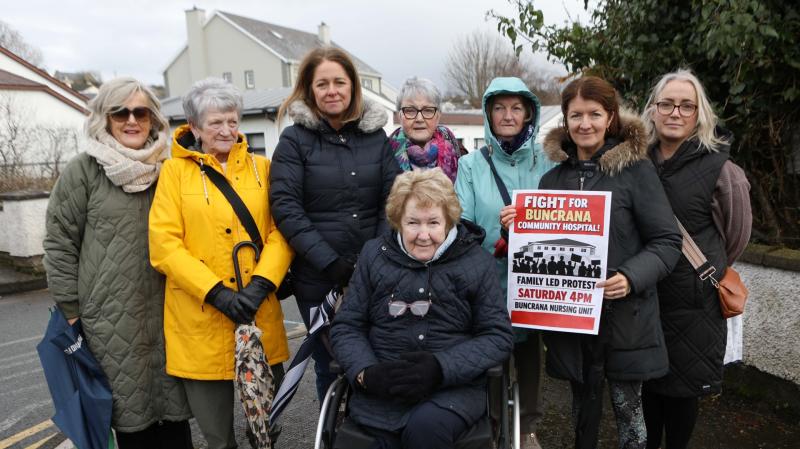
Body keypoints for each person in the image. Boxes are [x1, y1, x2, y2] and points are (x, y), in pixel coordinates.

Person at [43, 77, 192, 448]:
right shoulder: (84, 171)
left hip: (168, 313)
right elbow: (60, 244)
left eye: (140, 111)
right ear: (104, 118)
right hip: (107, 321)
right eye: (120, 112)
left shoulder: (170, 169)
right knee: (129, 424)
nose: (131, 120)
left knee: (175, 421)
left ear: (153, 118)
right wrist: (73, 313)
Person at [535, 76, 682, 449]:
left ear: (611, 117)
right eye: (575, 115)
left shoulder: (636, 172)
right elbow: (540, 245)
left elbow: (667, 242)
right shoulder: (551, 180)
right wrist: (520, 224)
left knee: (629, 416)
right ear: (565, 120)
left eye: (594, 114)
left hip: (625, 319)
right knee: (581, 412)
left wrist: (631, 277)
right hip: (571, 321)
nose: (585, 124)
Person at [149, 78, 292, 449]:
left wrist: (261, 283)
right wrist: (216, 293)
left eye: (232, 120)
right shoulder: (173, 173)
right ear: (194, 128)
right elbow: (164, 244)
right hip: (200, 320)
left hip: (258, 314)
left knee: (266, 429)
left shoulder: (265, 169)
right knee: (218, 438)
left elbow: (281, 231)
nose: (227, 130)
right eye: (215, 123)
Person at [330, 169, 514, 449]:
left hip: (451, 391)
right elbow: (347, 326)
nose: (424, 235)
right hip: (382, 387)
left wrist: (441, 368)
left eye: (433, 223)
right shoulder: (373, 256)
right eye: (413, 223)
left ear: (449, 221)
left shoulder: (477, 263)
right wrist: (366, 372)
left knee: (425, 430)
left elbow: (498, 336)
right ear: (398, 221)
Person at [270, 47, 401, 402]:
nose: (332, 91)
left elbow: (394, 201)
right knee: (330, 365)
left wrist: (376, 254)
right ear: (309, 90)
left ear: (353, 86)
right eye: (322, 83)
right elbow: (286, 207)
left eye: (339, 82)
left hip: (375, 272)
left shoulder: (375, 138)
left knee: (374, 356)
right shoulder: (295, 141)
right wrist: (331, 262)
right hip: (318, 278)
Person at [640, 69, 752, 449]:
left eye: (686, 105)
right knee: (648, 391)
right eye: (667, 103)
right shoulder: (635, 162)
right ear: (653, 110)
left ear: (699, 113)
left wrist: (701, 270)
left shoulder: (722, 169)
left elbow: (736, 235)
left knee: (683, 394)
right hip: (645, 295)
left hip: (694, 303)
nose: (676, 112)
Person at [455, 76, 555, 449]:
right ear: (488, 114)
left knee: (530, 354)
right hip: (488, 277)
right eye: (499, 108)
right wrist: (493, 235)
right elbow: (461, 220)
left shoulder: (547, 161)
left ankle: (527, 425)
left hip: (536, 281)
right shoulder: (470, 166)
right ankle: (491, 424)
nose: (508, 115)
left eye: (516, 107)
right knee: (489, 354)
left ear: (529, 112)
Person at [389, 77, 460, 182]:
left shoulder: (459, 153)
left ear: (438, 116)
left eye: (428, 110)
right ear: (400, 116)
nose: (419, 119)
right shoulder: (384, 155)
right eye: (410, 110)